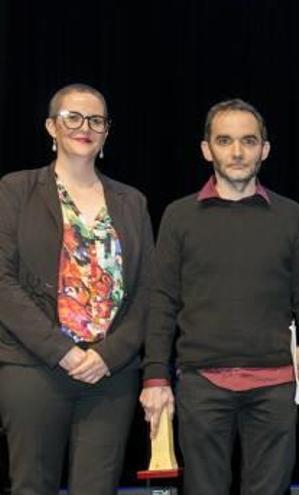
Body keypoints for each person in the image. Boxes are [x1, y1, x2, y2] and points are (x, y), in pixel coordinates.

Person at [139, 98, 299, 495]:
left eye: (248, 141)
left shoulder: (290, 215)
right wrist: (155, 376)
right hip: (202, 383)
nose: (236, 151)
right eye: (225, 140)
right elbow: (162, 301)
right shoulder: (179, 216)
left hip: (276, 385)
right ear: (206, 149)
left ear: (264, 150)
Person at [0, 83, 154, 494]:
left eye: (96, 120)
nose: (84, 127)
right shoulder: (15, 190)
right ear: (52, 126)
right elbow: (3, 284)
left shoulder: (132, 202)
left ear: (106, 133)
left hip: (110, 374)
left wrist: (109, 354)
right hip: (34, 367)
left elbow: (147, 294)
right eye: (73, 117)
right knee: (32, 486)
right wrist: (62, 351)